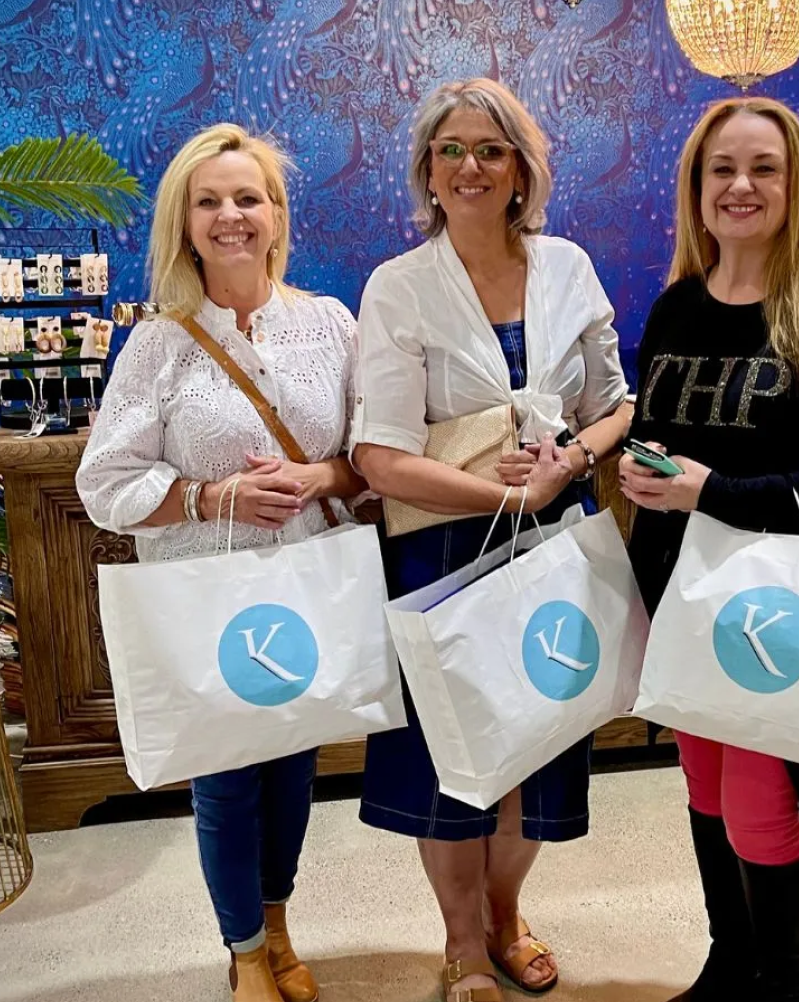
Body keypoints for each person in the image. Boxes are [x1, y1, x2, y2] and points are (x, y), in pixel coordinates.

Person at [351, 78, 631, 1002]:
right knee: (453, 762)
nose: (470, 166)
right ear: (428, 171)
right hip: (442, 554)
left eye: (491, 149)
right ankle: (462, 940)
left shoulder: (570, 268)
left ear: (522, 170)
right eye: (451, 150)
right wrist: (488, 490)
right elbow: (380, 456)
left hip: (555, 543)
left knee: (544, 748)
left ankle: (508, 914)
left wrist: (568, 465)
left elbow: (614, 406)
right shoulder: (398, 285)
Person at [620, 97, 799, 1002]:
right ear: (697, 189)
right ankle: (727, 964)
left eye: (763, 169)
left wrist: (719, 492)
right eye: (722, 170)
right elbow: (657, 444)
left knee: (763, 806)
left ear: (794, 185)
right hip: (686, 601)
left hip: (783, 610)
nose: (741, 186)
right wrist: (633, 479)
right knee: (704, 785)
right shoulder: (673, 309)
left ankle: (785, 985)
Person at [77, 123, 366, 1002]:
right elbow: (103, 484)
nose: (230, 215)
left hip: (307, 590)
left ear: (277, 216)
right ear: (185, 222)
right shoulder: (158, 346)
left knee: (293, 770)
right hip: (206, 598)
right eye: (209, 201)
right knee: (227, 779)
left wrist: (319, 473)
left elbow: (371, 456)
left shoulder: (332, 325)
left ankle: (277, 924)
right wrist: (209, 497)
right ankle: (244, 950)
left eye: (248, 198)